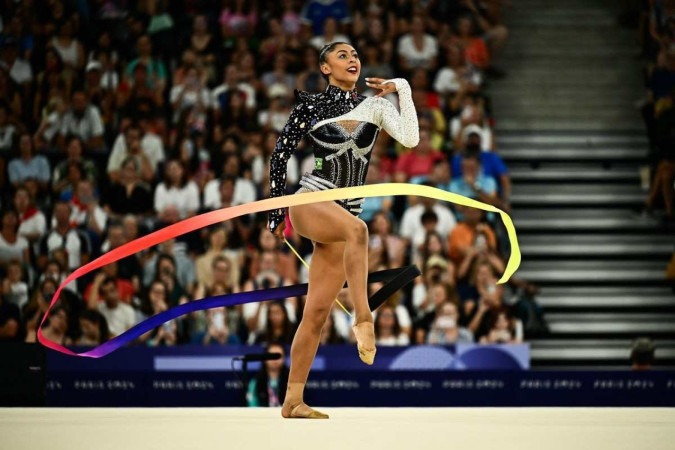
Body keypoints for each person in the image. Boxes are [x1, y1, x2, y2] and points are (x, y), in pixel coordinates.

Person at [267, 42, 419, 418]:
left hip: (343, 213)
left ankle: (293, 401)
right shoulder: (312, 106)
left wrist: (402, 88)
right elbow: (280, 153)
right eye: (342, 55)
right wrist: (275, 208)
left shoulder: (377, 106)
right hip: (311, 200)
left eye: (355, 55)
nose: (352, 60)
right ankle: (363, 319)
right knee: (360, 232)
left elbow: (412, 138)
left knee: (316, 313)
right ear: (324, 67)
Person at [246, 342, 290, 407]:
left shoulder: (292, 382)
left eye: (278, 356)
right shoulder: (255, 381)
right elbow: (252, 405)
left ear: (284, 359)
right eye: (271, 356)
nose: (275, 360)